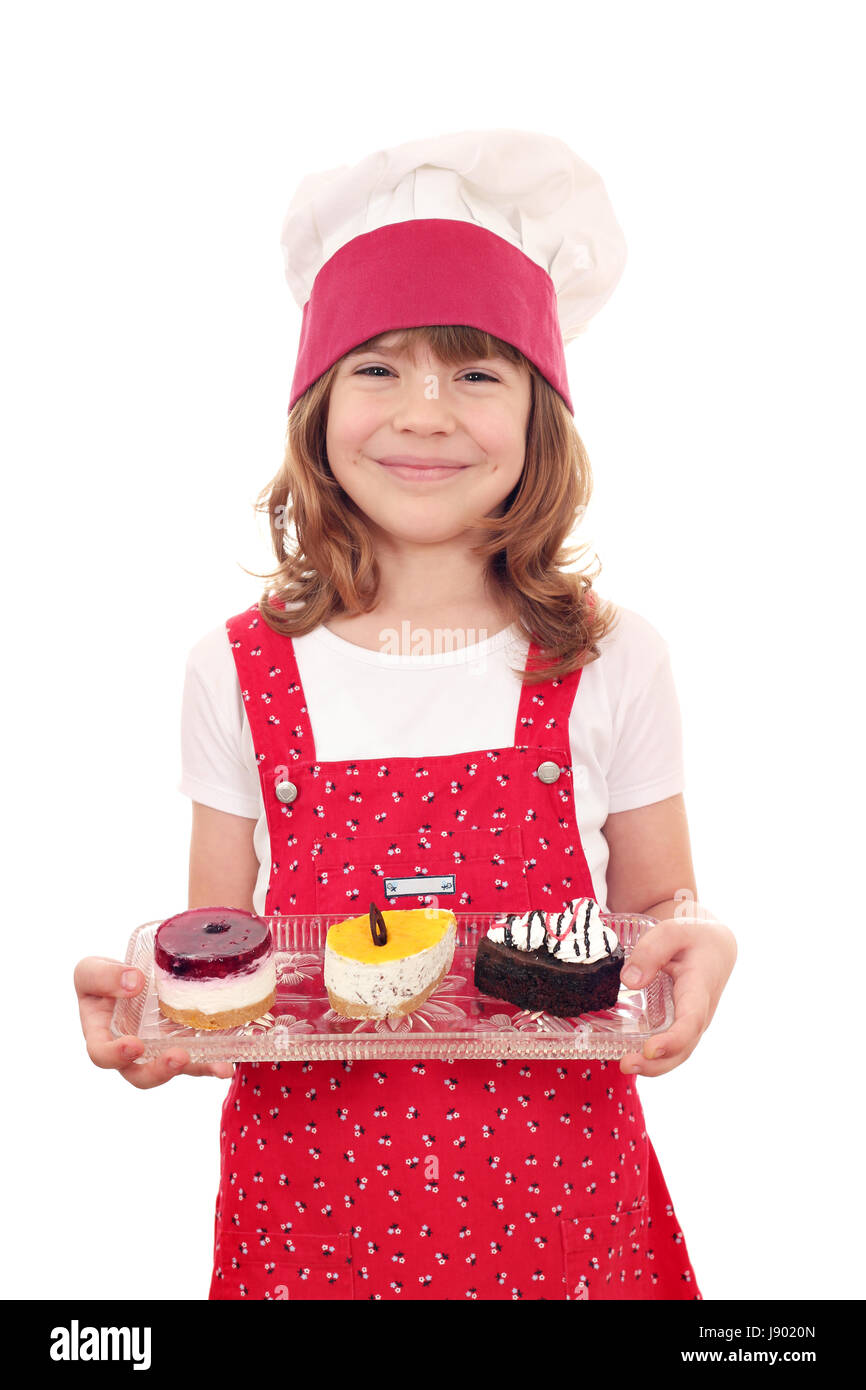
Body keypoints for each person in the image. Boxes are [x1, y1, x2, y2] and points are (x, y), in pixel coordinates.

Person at [75, 129, 736, 1300]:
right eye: (378, 367)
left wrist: (700, 937)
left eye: (475, 372)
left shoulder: (611, 656)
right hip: (308, 1211)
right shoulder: (233, 672)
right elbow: (222, 960)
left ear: (539, 415)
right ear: (316, 407)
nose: (423, 412)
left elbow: (650, 916)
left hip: (557, 1202)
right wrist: (154, 1031)